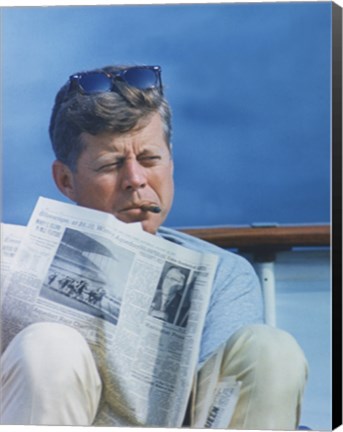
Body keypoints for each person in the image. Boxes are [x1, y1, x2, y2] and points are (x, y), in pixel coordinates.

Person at [0, 64, 308, 428]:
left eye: (150, 160)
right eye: (111, 164)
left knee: (270, 350)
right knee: (47, 345)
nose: (135, 179)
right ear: (66, 180)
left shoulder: (224, 275)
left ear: (171, 163)